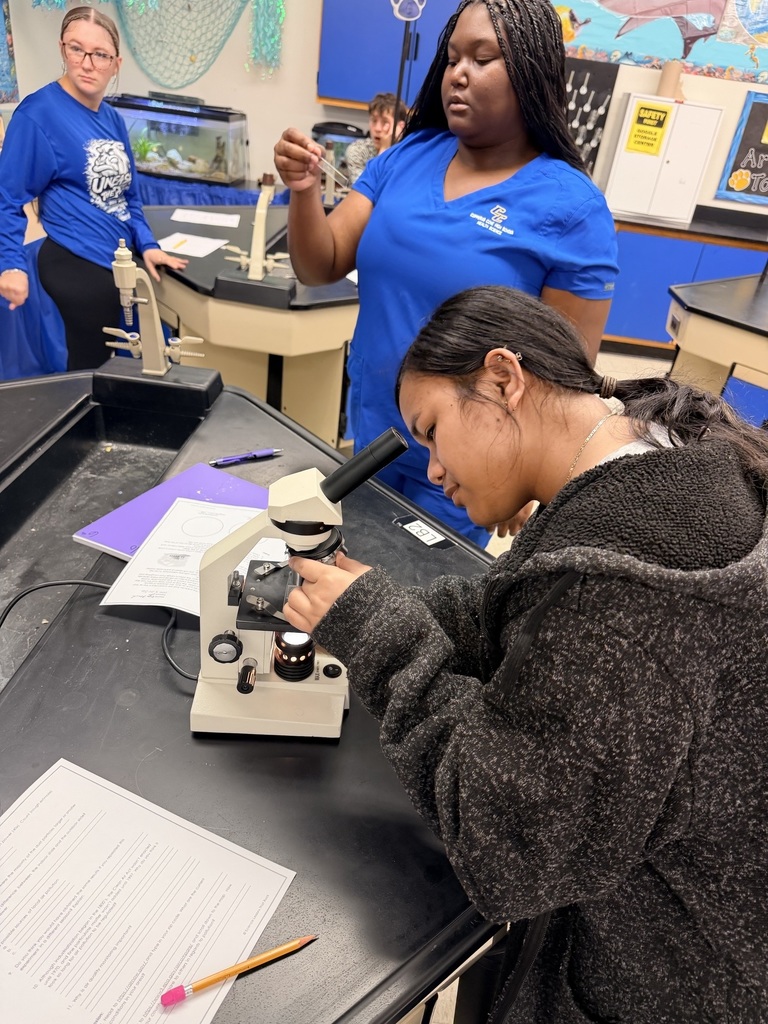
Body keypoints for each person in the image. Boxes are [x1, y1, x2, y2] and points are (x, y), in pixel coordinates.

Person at [282, 284, 768, 1023]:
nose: (435, 471)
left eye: (433, 430)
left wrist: (381, 638)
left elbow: (504, 848)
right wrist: (380, 602)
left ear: (505, 378)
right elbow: (514, 614)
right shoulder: (662, 461)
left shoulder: (623, 603)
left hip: (664, 983)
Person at [274, 0, 618, 548]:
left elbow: (567, 372)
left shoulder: (572, 207)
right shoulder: (406, 158)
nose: (458, 73)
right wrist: (303, 192)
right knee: (349, 562)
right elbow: (321, 264)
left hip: (467, 461)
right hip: (373, 429)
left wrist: (524, 478)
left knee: (423, 591)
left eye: (483, 59)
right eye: (453, 56)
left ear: (531, 72)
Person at [0, 6, 187, 372]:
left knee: (126, 370)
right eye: (76, 49)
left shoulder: (113, 118)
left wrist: (147, 245)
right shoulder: (38, 114)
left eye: (99, 55)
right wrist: (9, 264)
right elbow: (7, 198)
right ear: (62, 50)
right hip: (74, 264)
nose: (87, 63)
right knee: (86, 381)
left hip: (117, 263)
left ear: (115, 64)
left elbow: (129, 196)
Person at [344, 92, 408, 184]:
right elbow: (364, 192)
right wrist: (384, 150)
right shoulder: (357, 150)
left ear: (400, 127)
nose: (377, 129)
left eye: (385, 122)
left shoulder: (407, 154)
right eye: (374, 120)